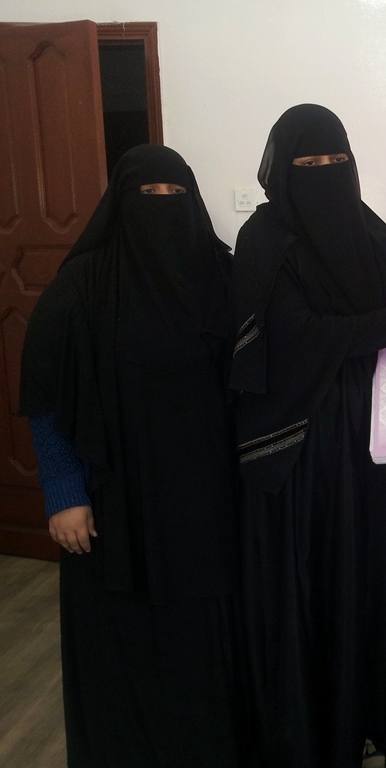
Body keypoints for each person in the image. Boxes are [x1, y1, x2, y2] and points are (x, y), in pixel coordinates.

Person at [229, 104, 386, 767]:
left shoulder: (376, 238)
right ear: (282, 170)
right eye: (309, 163)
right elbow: (293, 339)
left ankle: (359, 720)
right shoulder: (264, 240)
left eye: (336, 161)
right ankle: (301, 736)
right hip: (300, 448)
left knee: (366, 584)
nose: (325, 174)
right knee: (306, 592)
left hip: (373, 445)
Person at [19, 144, 242, 766]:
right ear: (120, 203)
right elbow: (45, 393)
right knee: (123, 637)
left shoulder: (222, 275)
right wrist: (63, 491)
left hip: (206, 500)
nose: (163, 208)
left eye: (176, 195)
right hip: (115, 499)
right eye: (148, 196)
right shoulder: (81, 287)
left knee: (201, 639)